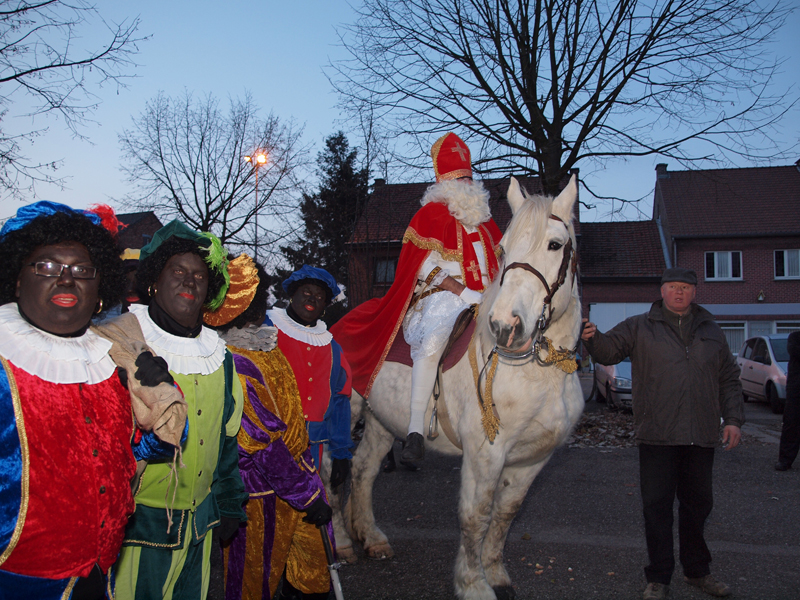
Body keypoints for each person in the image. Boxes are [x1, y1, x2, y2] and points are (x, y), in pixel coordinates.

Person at [0, 202, 180, 600]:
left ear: (100, 290)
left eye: (83, 271)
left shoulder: (107, 363)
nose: (67, 281)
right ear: (15, 280)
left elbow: (121, 455)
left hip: (98, 576)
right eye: (47, 267)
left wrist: (161, 418)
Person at [330, 132, 501, 462]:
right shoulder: (430, 216)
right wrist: (462, 291)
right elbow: (421, 268)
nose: (468, 184)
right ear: (445, 182)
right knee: (434, 341)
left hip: (486, 297)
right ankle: (414, 431)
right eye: (460, 178)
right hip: (441, 297)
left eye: (470, 178)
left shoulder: (486, 223)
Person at [581, 267, 744, 600]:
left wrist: (734, 420)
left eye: (685, 287)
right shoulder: (640, 326)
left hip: (701, 433)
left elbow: (728, 378)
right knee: (656, 507)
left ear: (695, 291)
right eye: (673, 286)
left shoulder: (712, 330)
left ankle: (698, 572)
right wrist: (592, 338)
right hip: (657, 432)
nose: (679, 292)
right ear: (662, 290)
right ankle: (658, 577)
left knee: (698, 505)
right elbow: (608, 351)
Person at [113, 220, 247, 600]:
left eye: (200, 276)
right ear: (154, 280)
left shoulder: (220, 357)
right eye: (178, 271)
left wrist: (228, 503)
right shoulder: (124, 342)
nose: (189, 282)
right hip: (138, 530)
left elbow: (226, 442)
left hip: (200, 531)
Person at [204, 254, 335, 600]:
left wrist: (311, 481)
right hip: (260, 495)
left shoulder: (264, 345)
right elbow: (260, 442)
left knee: (314, 572)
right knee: (253, 584)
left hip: (299, 478)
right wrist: (308, 495)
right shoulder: (230, 358)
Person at [267, 265, 353, 485]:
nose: (312, 299)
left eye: (319, 296)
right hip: (266, 447)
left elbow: (340, 401)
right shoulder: (266, 329)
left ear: (325, 305)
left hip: (311, 451)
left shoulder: (332, 348)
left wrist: (342, 454)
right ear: (292, 294)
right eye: (306, 292)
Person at [776, 331, 800, 471]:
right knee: (791, 424)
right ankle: (785, 460)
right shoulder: (795, 337)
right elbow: (795, 351)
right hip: (796, 389)